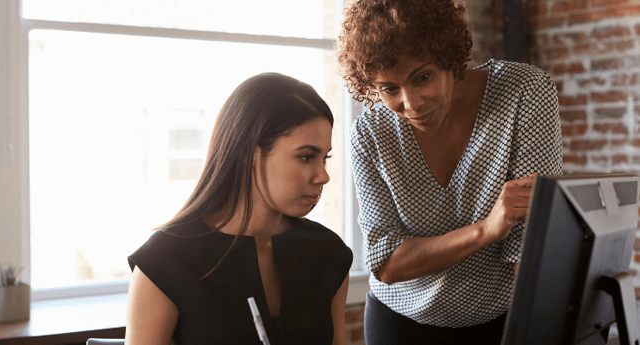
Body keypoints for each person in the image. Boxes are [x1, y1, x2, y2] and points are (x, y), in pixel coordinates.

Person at [334, 0, 563, 344]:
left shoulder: (523, 93)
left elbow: (528, 244)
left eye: (422, 77)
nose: (412, 104)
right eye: (389, 89)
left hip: (499, 321)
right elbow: (386, 263)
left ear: (450, 56)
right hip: (398, 323)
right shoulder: (370, 134)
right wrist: (485, 230)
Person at [125, 73, 353, 345]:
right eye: (306, 157)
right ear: (249, 155)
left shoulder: (329, 253)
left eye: (324, 158)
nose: (323, 176)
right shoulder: (165, 261)